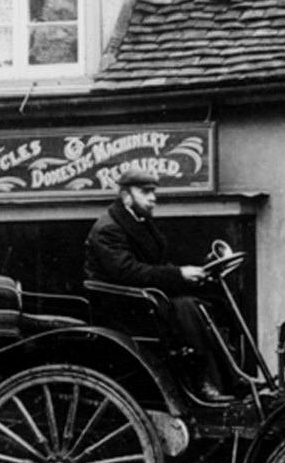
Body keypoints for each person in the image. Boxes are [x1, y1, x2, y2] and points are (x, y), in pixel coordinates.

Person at [84, 166, 232, 402]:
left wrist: (193, 274)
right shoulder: (108, 229)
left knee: (213, 303)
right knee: (187, 307)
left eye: (153, 191)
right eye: (145, 192)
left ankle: (228, 377)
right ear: (125, 196)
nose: (153, 198)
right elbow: (129, 272)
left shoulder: (140, 221)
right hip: (123, 307)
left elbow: (156, 264)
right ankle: (201, 383)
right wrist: (179, 275)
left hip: (144, 300)